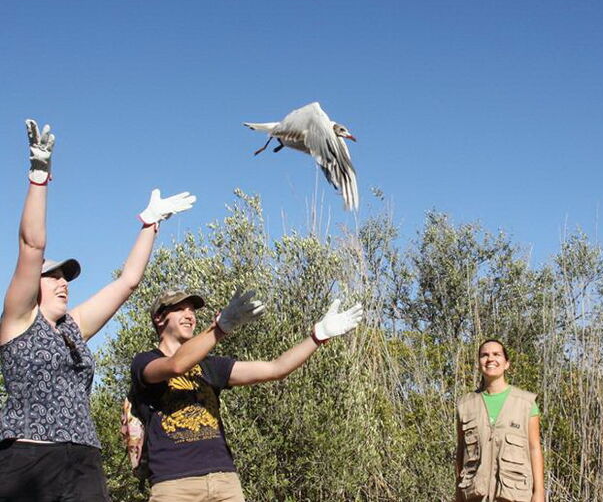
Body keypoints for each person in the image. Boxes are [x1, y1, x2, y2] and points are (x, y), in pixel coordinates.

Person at [0, 119, 197, 502]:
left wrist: (149, 225)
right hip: (28, 458)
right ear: (30, 286)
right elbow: (31, 245)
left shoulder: (74, 329)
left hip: (84, 458)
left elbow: (127, 282)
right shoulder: (18, 322)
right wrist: (39, 176)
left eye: (67, 277)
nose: (63, 283)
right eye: (52, 277)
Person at [130, 287, 363, 501]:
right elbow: (176, 366)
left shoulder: (211, 366)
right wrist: (218, 329)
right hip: (175, 485)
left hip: (225, 481)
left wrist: (318, 336)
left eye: (192, 309)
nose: (189, 315)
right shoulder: (145, 362)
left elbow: (276, 369)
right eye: (179, 309)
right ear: (159, 318)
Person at [454, 339, 545, 502]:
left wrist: (539, 493)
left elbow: (534, 448)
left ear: (506, 363)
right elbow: (461, 452)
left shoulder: (526, 403)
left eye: (496, 354)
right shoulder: (465, 405)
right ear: (479, 363)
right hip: (475, 495)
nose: (490, 359)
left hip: (514, 495)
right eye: (484, 355)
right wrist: (458, 493)